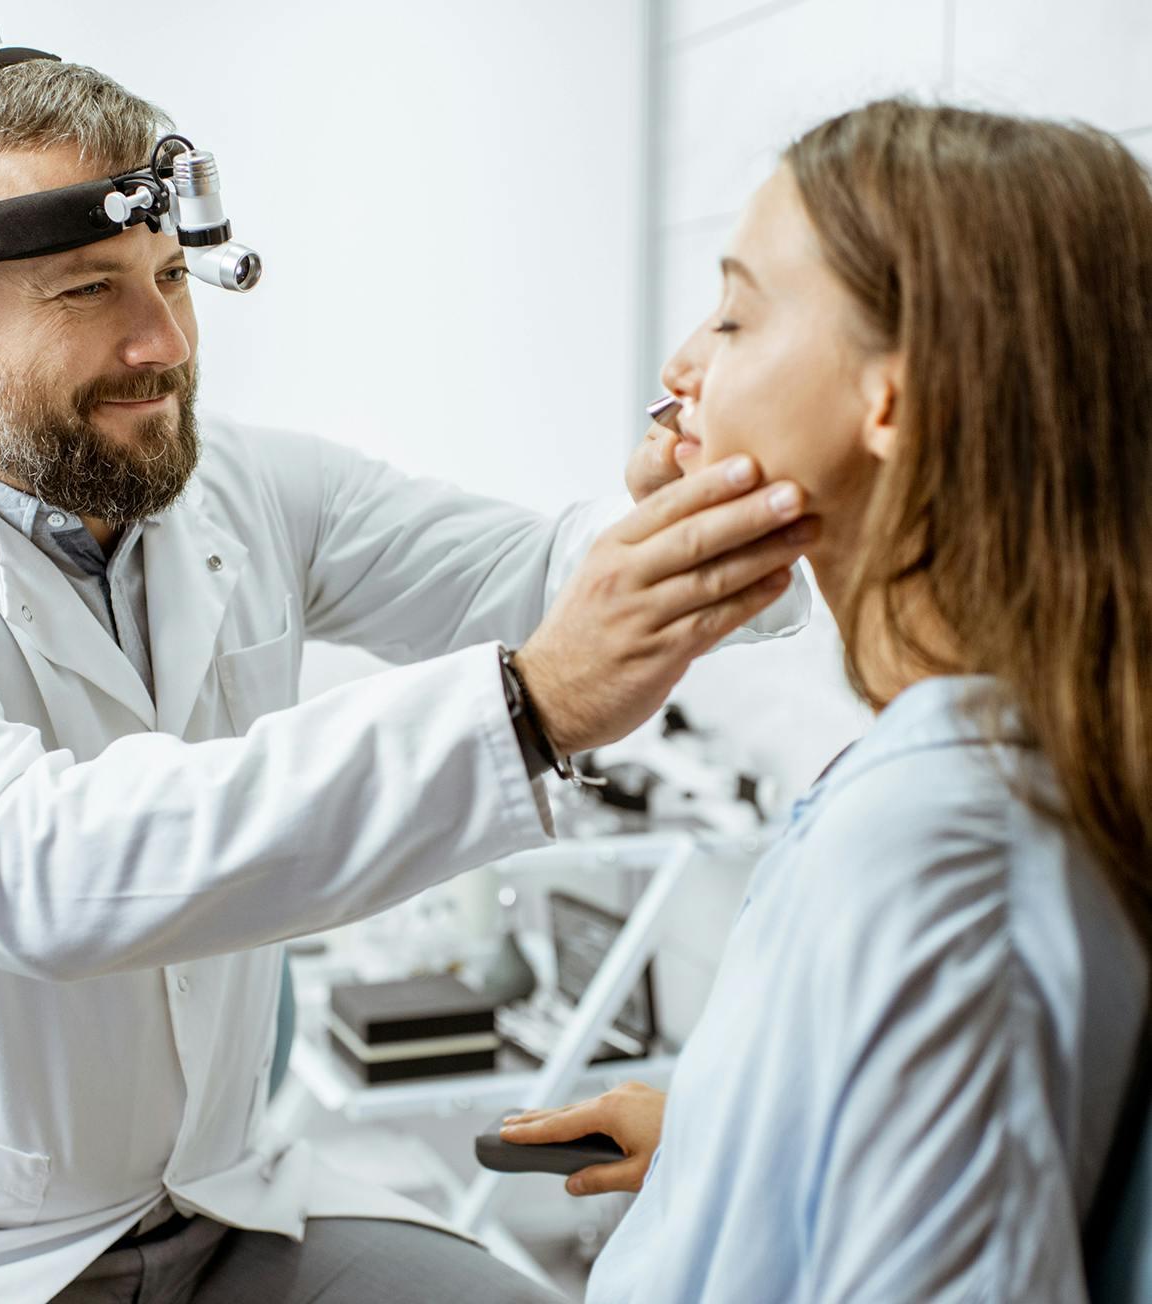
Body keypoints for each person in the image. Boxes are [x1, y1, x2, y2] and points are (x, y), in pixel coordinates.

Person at [0, 52, 817, 1302]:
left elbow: (544, 573)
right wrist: (524, 708)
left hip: (226, 1200)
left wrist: (711, 506)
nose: (163, 343)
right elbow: (33, 867)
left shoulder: (245, 488)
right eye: (87, 291)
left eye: (173, 277)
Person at [501, 99, 1152, 1302]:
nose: (681, 367)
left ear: (893, 401)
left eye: (736, 313)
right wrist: (724, 1135)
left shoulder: (943, 847)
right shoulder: (957, 773)